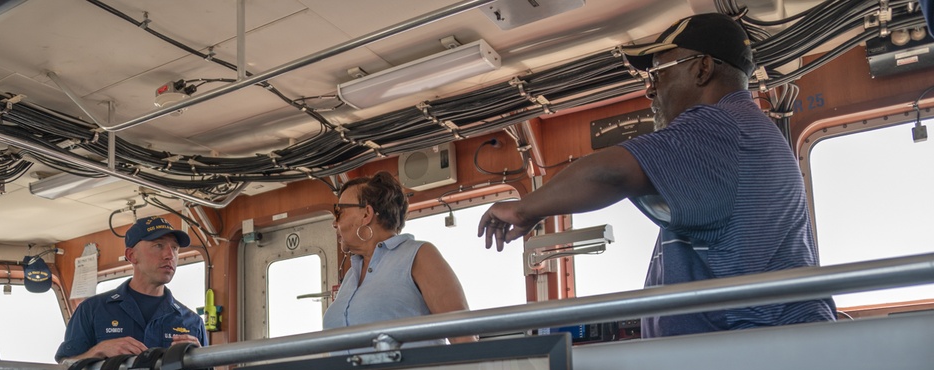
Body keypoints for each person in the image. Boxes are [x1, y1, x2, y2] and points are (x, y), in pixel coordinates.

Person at [478, 13, 836, 338]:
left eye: (657, 72)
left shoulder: (721, 126)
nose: (650, 88)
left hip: (752, 350)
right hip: (751, 346)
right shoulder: (740, 133)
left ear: (702, 69)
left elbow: (611, 172)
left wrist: (525, 209)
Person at [322, 171, 475, 345]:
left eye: (339, 212)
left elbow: (463, 336)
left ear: (366, 214)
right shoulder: (351, 275)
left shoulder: (419, 255)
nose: (335, 222)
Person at [55, 216, 207, 363]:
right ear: (132, 255)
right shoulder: (92, 309)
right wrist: (99, 350)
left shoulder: (192, 322)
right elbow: (65, 368)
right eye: (158, 245)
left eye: (174, 248)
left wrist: (199, 359)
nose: (170, 255)